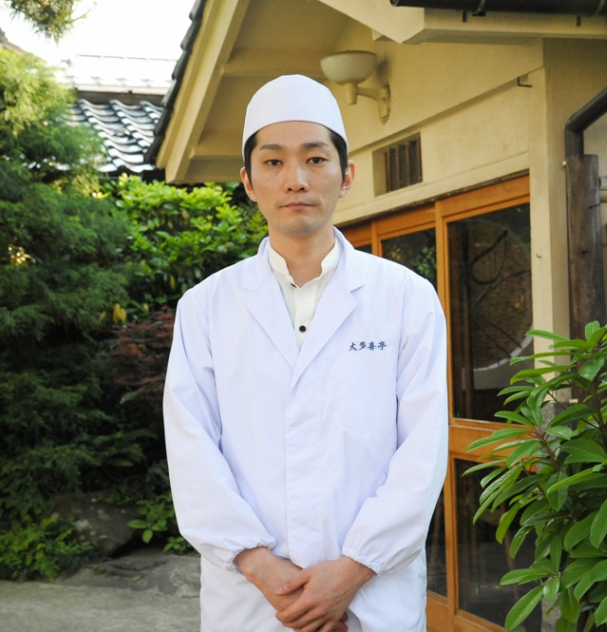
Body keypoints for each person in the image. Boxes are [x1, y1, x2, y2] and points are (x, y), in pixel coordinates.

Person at [163, 74, 448, 632]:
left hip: (373, 597)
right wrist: (265, 569)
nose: (295, 179)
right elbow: (191, 450)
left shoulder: (406, 298)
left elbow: (422, 451)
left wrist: (350, 573)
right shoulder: (206, 307)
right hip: (251, 600)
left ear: (347, 176)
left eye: (315, 159)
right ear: (248, 182)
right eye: (273, 162)